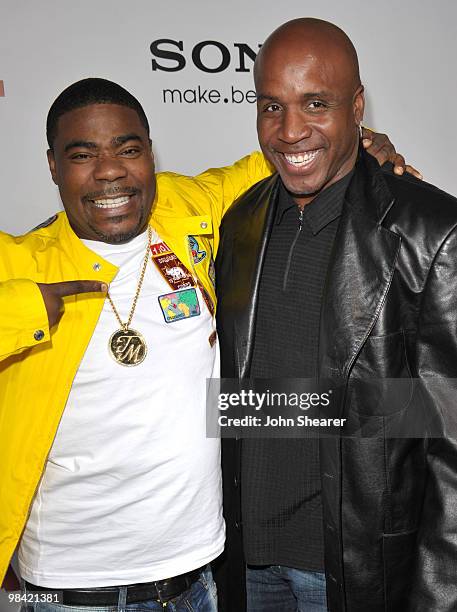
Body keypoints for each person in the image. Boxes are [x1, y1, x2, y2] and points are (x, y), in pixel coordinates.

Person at [0, 77, 409, 611]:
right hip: (73, 591)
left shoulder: (186, 207)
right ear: (53, 166)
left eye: (128, 149)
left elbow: (294, 149)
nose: (109, 171)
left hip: (197, 584)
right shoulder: (19, 262)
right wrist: (25, 309)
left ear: (150, 153)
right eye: (83, 155)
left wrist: (362, 138)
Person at [215, 17, 457, 612]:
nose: (290, 130)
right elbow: (248, 395)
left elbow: (448, 440)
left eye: (315, 104)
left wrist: (438, 594)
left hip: (359, 569)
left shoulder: (429, 231)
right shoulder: (240, 223)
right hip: (248, 565)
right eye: (271, 107)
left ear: (356, 106)